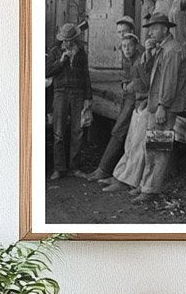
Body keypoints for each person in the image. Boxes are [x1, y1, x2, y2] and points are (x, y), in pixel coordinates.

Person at [136, 12, 186, 197]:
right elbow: (150, 73)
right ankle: (145, 185)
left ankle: (151, 190)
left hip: (164, 107)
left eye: (154, 28)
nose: (150, 32)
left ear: (165, 29)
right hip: (157, 104)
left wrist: (163, 106)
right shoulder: (162, 48)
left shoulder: (172, 50)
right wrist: (149, 53)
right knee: (151, 147)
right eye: (150, 28)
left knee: (159, 149)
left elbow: (169, 81)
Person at [86, 17, 141, 180]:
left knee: (120, 130)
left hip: (138, 97)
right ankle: (116, 171)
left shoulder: (138, 51)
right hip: (129, 94)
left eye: (124, 31)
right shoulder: (126, 50)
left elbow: (144, 77)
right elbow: (126, 74)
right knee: (122, 130)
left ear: (132, 32)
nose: (121, 35)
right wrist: (125, 82)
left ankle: (104, 169)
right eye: (119, 33)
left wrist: (131, 85)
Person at [103, 35, 154, 194]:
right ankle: (120, 176)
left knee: (141, 146)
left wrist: (136, 89)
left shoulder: (141, 61)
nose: (126, 49)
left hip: (148, 106)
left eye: (129, 46)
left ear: (137, 46)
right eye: (123, 46)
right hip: (139, 104)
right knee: (131, 143)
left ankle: (130, 181)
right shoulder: (133, 62)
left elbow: (151, 84)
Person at [46, 22, 92, 180]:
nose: (68, 43)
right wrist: (61, 61)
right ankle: (59, 168)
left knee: (77, 131)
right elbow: (46, 71)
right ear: (62, 39)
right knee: (58, 132)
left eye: (71, 39)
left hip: (78, 93)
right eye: (66, 40)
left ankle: (75, 167)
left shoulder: (81, 53)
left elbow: (86, 76)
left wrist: (88, 98)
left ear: (75, 38)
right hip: (60, 93)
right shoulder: (55, 51)